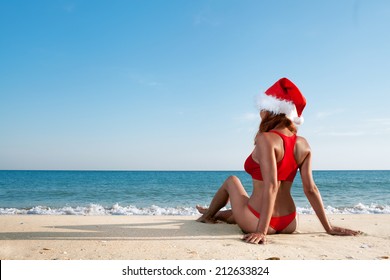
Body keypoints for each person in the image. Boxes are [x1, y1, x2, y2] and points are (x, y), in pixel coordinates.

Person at [196, 77, 360, 244]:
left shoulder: (265, 139)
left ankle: (207, 216)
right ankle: (212, 212)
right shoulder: (303, 143)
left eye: (262, 108)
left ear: (271, 110)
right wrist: (329, 228)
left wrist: (261, 231)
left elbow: (271, 185)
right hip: (289, 221)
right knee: (239, 208)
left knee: (232, 181)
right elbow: (311, 189)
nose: (260, 112)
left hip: (259, 220)